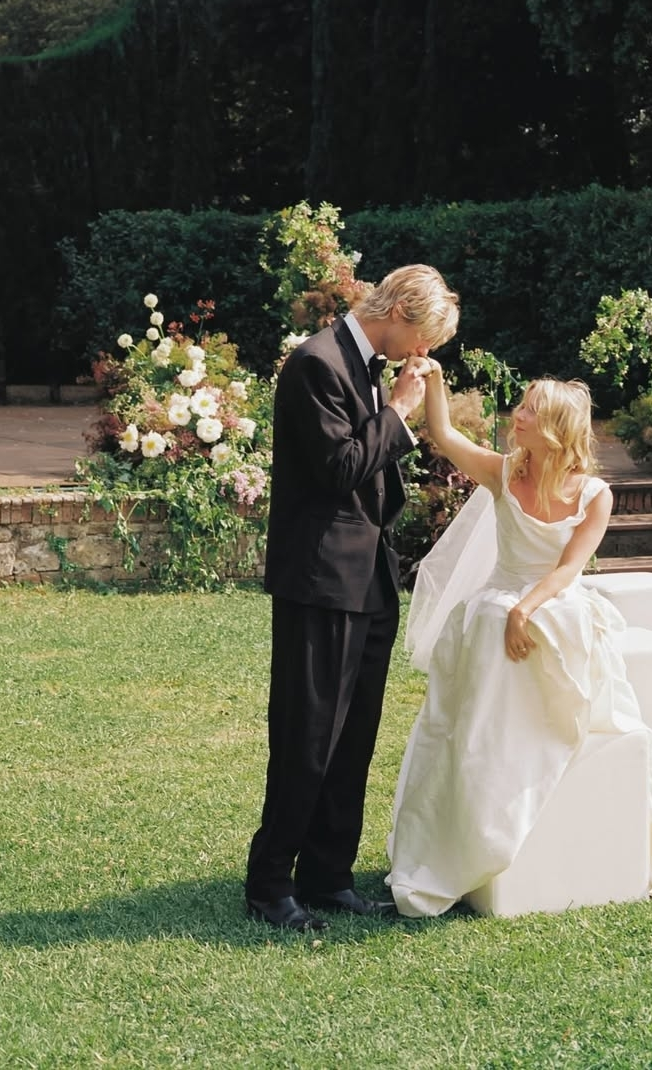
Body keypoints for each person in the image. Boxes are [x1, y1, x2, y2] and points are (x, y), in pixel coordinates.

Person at [386, 372, 652, 917]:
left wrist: (526, 608)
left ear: (554, 427)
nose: (516, 416)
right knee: (487, 617)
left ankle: (550, 735)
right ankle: (482, 795)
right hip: (500, 594)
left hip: (553, 598)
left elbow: (569, 569)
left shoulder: (595, 495)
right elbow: (444, 434)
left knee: (550, 618)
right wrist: (434, 381)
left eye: (529, 410)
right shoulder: (503, 473)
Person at [245, 264, 460, 932]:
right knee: (308, 734)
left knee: (354, 738)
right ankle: (270, 882)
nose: (422, 353)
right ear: (396, 312)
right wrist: (397, 410)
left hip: (370, 578)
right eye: (423, 338)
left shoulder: (368, 365)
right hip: (320, 580)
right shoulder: (316, 363)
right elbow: (339, 468)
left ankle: (328, 875)